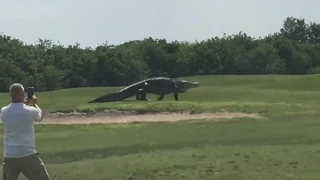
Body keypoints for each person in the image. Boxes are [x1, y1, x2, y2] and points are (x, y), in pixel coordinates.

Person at [0, 83, 50, 180]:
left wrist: (24, 104)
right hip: (27, 154)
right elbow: (40, 116)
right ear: (23, 94)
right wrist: (34, 104)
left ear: (10, 95)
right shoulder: (30, 111)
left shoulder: (4, 111)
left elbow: (16, 111)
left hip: (10, 155)